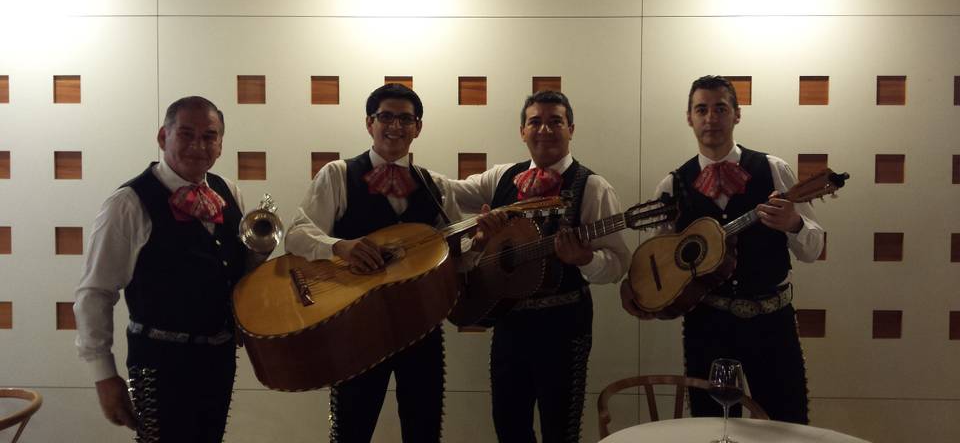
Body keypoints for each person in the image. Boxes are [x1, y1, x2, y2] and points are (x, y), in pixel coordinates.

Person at [620, 75, 824, 424]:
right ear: (689, 118)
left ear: (737, 115)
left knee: (786, 424)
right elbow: (661, 263)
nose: (711, 118)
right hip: (707, 324)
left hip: (770, 320)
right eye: (701, 109)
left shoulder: (773, 170)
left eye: (720, 108)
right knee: (710, 425)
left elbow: (813, 247)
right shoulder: (673, 185)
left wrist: (793, 223)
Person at [75, 96, 265, 442]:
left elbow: (231, 271)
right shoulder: (128, 203)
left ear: (221, 144)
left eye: (209, 136)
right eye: (186, 134)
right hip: (159, 362)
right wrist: (104, 374)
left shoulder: (229, 192)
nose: (198, 145)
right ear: (163, 137)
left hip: (219, 358)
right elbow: (95, 293)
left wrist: (260, 254)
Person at [449, 90, 630, 443]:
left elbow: (618, 262)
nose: (544, 129)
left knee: (559, 429)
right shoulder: (502, 177)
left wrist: (585, 259)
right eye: (535, 122)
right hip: (509, 324)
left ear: (571, 129)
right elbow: (449, 195)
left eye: (555, 121)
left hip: (564, 327)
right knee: (509, 427)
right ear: (522, 131)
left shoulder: (592, 186)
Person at [285, 83, 462, 443]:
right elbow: (297, 234)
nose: (395, 126)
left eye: (405, 119)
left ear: (418, 127)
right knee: (351, 429)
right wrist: (340, 246)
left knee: (424, 429)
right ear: (369, 123)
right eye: (385, 117)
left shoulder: (434, 185)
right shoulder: (337, 174)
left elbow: (457, 250)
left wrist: (483, 236)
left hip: (421, 325)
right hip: (355, 327)